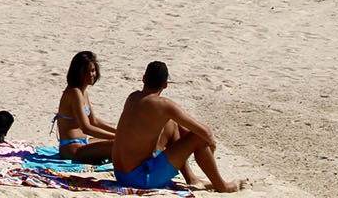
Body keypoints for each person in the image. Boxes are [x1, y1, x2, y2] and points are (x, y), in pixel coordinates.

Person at [111, 61, 244, 192]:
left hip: (121, 175)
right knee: (198, 137)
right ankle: (222, 186)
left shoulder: (133, 97)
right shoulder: (164, 105)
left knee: (171, 124)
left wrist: (187, 144)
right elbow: (205, 132)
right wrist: (209, 145)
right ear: (165, 85)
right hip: (141, 179)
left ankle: (192, 178)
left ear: (144, 79)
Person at [54, 51, 117, 164]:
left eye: (93, 71)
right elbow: (86, 128)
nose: (91, 75)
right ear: (77, 73)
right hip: (72, 148)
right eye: (85, 72)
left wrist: (119, 133)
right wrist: (118, 137)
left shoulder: (83, 92)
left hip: (84, 142)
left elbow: (94, 121)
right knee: (121, 145)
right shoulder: (74, 92)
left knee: (121, 142)